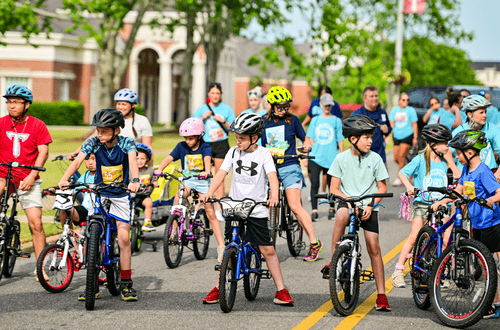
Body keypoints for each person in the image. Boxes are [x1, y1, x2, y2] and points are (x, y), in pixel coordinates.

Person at [200, 112, 294, 306]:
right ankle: (218, 287)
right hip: (235, 207)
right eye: (237, 138)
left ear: (254, 138)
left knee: (267, 250)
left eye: (242, 138)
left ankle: (281, 289)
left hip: (256, 209)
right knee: (228, 247)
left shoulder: (264, 154)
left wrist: (274, 196)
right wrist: (210, 192)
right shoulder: (233, 152)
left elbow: (272, 177)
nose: (238, 141)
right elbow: (221, 173)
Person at [59, 108, 140, 301]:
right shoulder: (93, 143)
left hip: (121, 195)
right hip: (100, 193)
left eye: (104, 131)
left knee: (123, 238)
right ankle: (92, 283)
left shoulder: (126, 142)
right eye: (98, 130)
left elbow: (133, 161)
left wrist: (135, 180)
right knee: (91, 233)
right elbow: (78, 161)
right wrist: (64, 179)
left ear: (116, 130)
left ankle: (126, 284)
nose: (99, 134)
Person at [432, 130, 500, 319]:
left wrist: (491, 200)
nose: (456, 155)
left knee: (490, 265)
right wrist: (444, 201)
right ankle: (493, 303)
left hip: (491, 222)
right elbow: (460, 191)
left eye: (458, 152)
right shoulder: (467, 170)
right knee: (486, 263)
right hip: (477, 223)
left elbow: (498, 192)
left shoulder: (483, 170)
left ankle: (494, 304)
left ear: (469, 153)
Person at [326, 114, 391, 311]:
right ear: (353, 139)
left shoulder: (376, 158)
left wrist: (371, 204)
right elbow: (334, 188)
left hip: (368, 205)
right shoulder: (341, 158)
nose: (371, 141)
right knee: (341, 215)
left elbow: (382, 187)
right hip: (348, 202)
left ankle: (381, 294)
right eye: (366, 137)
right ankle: (333, 261)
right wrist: (347, 200)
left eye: (371, 137)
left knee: (373, 246)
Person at [261, 86, 323, 262]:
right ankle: (264, 243)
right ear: (271, 106)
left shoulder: (293, 121)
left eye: (286, 106)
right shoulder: (263, 122)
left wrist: (307, 147)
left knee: (295, 206)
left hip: (289, 165)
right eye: (279, 107)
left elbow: (305, 139)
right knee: (264, 206)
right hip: (269, 168)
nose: (283, 110)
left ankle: (314, 243)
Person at [392, 124, 458, 288]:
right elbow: (402, 173)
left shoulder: (446, 161)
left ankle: (441, 273)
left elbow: (457, 175)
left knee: (444, 240)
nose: (447, 146)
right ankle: (398, 270)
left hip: (441, 204)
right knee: (414, 236)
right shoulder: (421, 159)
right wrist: (408, 186)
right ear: (434, 144)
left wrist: (450, 159)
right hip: (422, 203)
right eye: (445, 143)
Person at [0, 85, 52, 279]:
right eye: (9, 102)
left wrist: (31, 175)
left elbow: (43, 152)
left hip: (28, 176)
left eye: (16, 102)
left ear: (27, 104)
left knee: (36, 223)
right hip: (4, 173)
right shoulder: (1, 123)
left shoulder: (37, 125)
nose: (11, 106)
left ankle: (41, 268)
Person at [155, 117, 224, 256]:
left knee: (210, 212)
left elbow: (207, 159)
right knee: (177, 199)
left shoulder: (205, 147)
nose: (188, 141)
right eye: (186, 138)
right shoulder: (181, 146)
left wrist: (206, 171)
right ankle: (174, 230)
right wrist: (160, 169)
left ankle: (221, 246)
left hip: (203, 183)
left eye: (191, 138)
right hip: (187, 181)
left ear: (199, 136)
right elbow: (169, 158)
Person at [68, 88, 154, 165]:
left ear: (132, 105)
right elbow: (93, 137)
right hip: (113, 159)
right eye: (118, 104)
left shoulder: (142, 121)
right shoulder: (111, 119)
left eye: (124, 104)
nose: (120, 107)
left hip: (134, 161)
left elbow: (148, 146)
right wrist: (76, 152)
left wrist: (150, 170)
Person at [194, 82, 236, 221]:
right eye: (212, 93)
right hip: (205, 144)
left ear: (220, 95)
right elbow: (193, 126)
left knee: (220, 176)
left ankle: (219, 209)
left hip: (221, 144)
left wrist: (223, 121)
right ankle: (200, 206)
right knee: (203, 175)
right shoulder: (201, 109)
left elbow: (233, 128)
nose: (215, 95)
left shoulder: (226, 109)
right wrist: (202, 118)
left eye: (217, 93)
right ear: (208, 94)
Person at [304, 93, 344, 221]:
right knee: (314, 183)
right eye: (325, 105)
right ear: (320, 105)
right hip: (316, 157)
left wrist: (342, 156)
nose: (327, 107)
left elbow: (340, 140)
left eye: (329, 105)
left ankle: (331, 208)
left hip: (331, 157)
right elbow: (309, 138)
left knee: (332, 186)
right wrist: (306, 156)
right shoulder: (315, 120)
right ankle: (314, 210)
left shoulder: (336, 120)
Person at [451, 95, 500, 183]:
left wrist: (499, 172)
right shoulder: (460, 131)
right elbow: (447, 152)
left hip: (489, 176)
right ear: (470, 114)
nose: (485, 115)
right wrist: (455, 170)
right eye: (481, 112)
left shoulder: (492, 129)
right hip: (465, 177)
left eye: (485, 112)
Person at [352, 86, 392, 164]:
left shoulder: (382, 112)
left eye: (376, 96)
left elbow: (389, 128)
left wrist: (387, 130)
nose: (375, 98)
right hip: (363, 159)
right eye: (371, 96)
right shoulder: (358, 114)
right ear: (364, 99)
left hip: (380, 157)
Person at [58, 153, 96, 228]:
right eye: (87, 159)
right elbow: (73, 191)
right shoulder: (85, 176)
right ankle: (69, 236)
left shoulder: (104, 175)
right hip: (86, 209)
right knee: (64, 212)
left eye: (94, 159)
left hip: (101, 210)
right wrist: (59, 191)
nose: (90, 162)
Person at [388, 93, 418, 186]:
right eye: (404, 100)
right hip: (396, 135)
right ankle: (410, 172)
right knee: (396, 158)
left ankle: (399, 178)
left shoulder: (411, 110)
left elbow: (414, 124)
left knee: (401, 156)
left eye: (407, 100)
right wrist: (387, 136)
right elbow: (391, 124)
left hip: (407, 135)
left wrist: (415, 137)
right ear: (399, 101)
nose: (406, 102)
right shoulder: (394, 110)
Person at [133, 143, 159, 232]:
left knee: (149, 202)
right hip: (132, 196)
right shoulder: (131, 170)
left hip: (144, 196)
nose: (139, 161)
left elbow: (154, 179)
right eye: (137, 158)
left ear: (147, 159)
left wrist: (155, 182)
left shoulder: (150, 170)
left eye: (142, 158)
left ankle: (147, 222)